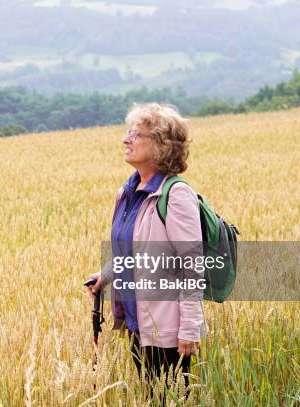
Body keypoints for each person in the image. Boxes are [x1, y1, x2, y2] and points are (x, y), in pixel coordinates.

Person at [85, 102, 207, 399]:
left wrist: (189, 329)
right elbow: (132, 254)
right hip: (137, 322)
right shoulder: (126, 193)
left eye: (136, 134)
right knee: (151, 397)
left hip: (166, 330)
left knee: (170, 398)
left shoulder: (175, 195)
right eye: (128, 132)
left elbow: (193, 265)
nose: (126, 140)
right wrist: (105, 276)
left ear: (161, 146)